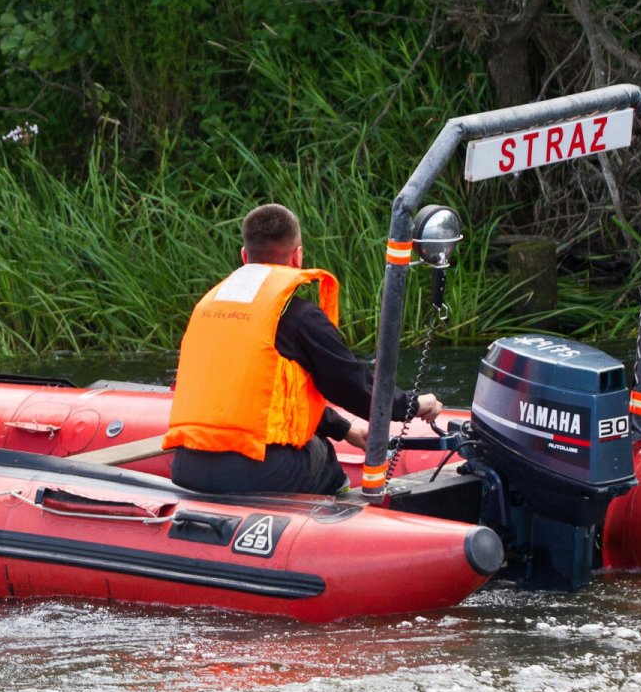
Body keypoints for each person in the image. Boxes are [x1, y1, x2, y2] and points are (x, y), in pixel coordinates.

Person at [163, 203, 442, 495]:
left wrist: (344, 430)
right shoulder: (299, 317)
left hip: (186, 466)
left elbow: (262, 400)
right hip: (254, 469)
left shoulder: (208, 308)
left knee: (313, 444)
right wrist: (413, 404)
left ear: (245, 257)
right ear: (298, 257)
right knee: (322, 455)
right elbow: (351, 384)